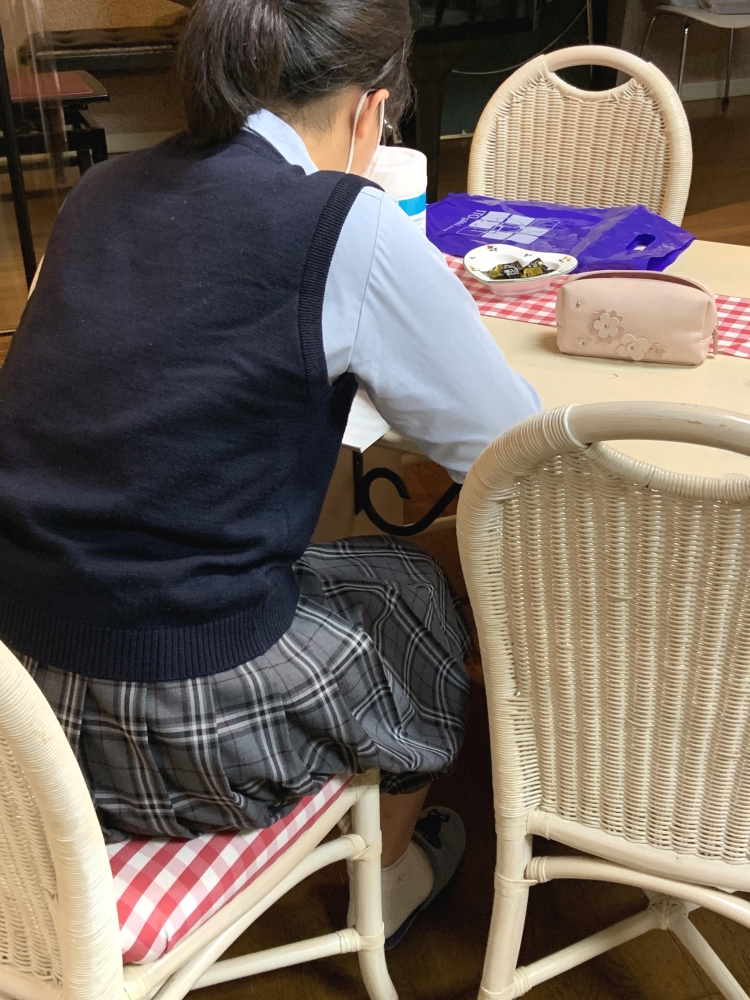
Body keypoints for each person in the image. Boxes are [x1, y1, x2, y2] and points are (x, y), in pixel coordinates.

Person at [0, 0, 539, 947]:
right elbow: (511, 450)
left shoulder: (99, 193)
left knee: (332, 555)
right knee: (415, 587)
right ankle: (390, 880)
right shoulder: (344, 223)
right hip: (167, 726)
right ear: (372, 109)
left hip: (17, 703)